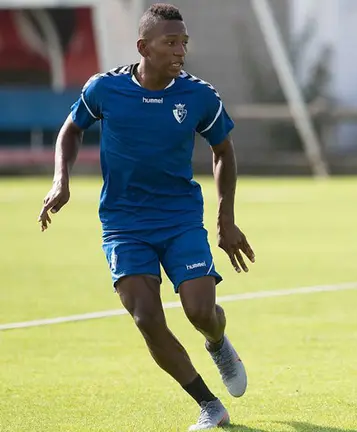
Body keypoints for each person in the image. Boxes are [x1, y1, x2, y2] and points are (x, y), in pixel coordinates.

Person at [37, 3, 253, 430]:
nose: (180, 52)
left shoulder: (199, 95)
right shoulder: (105, 88)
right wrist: (61, 181)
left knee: (199, 310)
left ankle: (216, 340)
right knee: (146, 318)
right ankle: (210, 405)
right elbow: (71, 128)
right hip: (124, 224)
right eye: (170, 43)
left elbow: (223, 151)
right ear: (143, 47)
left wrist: (225, 219)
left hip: (179, 220)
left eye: (184, 44)